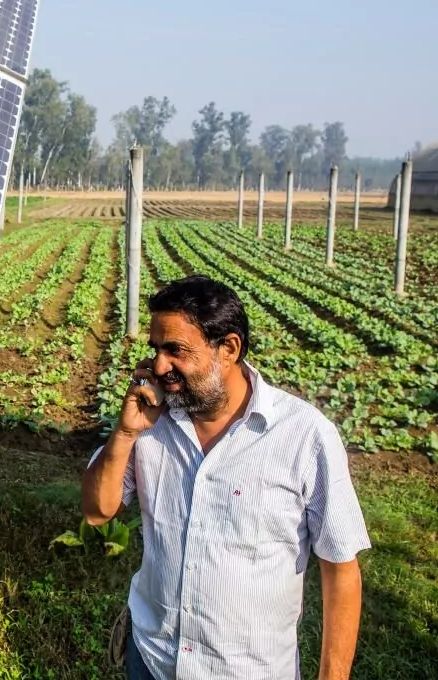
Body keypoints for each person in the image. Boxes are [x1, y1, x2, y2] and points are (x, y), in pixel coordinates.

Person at [82, 276, 370, 680]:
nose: (159, 366)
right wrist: (126, 433)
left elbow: (341, 569)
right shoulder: (152, 423)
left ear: (228, 349)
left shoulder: (304, 435)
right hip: (153, 658)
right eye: (156, 350)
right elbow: (97, 512)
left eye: (175, 350)